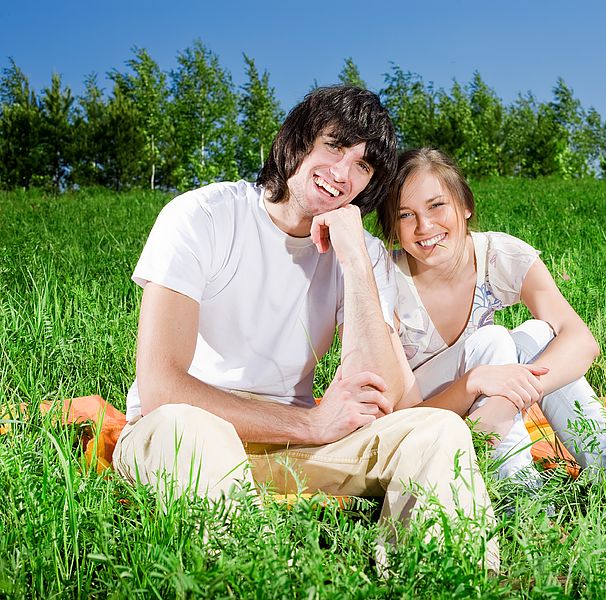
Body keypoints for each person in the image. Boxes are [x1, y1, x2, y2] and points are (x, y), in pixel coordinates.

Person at [112, 88, 498, 570]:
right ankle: (260, 576)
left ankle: (441, 575)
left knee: (435, 430)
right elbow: (161, 389)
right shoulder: (202, 216)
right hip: (186, 434)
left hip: (293, 451)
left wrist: (355, 258)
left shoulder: (359, 250)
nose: (342, 173)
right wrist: (312, 423)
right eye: (335, 146)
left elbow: (390, 397)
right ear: (296, 141)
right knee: (186, 428)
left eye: (363, 166)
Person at [379, 148, 606, 489]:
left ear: (465, 206)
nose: (424, 226)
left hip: (489, 416)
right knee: (493, 340)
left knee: (541, 335)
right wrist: (474, 383)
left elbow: (582, 342)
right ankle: (519, 494)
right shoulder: (385, 278)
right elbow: (402, 414)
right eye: (405, 215)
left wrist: (510, 396)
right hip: (424, 423)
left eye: (437, 205)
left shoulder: (500, 255)